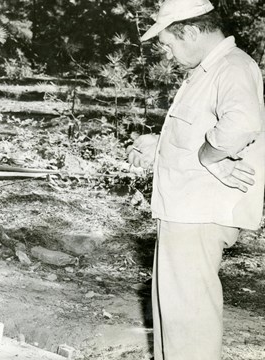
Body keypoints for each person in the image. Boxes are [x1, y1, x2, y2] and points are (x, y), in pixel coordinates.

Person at [129, 0, 265, 359]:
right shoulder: (211, 69)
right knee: (175, 315)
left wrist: (209, 155)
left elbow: (243, 122)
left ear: (189, 31)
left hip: (198, 213)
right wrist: (162, 145)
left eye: (170, 45)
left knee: (189, 317)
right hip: (185, 209)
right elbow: (203, 132)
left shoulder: (232, 67)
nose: (170, 56)